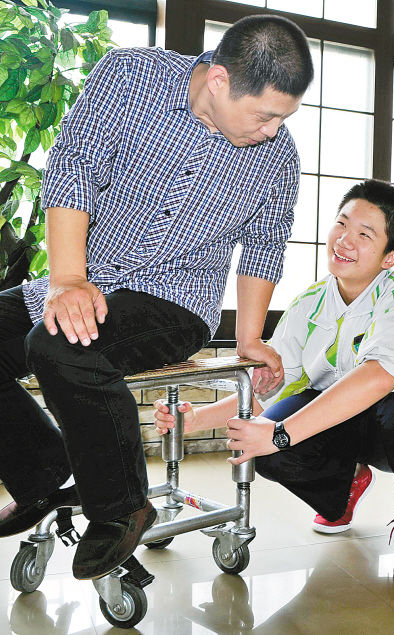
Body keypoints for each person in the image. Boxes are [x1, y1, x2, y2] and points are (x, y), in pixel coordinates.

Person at [0, 15, 314, 580]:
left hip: (176, 300)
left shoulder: (277, 157)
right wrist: (68, 280)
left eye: (283, 119)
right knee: (46, 331)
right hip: (84, 279)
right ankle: (42, 473)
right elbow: (71, 167)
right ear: (218, 80)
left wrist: (249, 337)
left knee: (60, 346)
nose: (273, 132)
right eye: (265, 115)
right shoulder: (128, 76)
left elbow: (264, 244)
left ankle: (122, 507)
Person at [155, 179, 394, 583]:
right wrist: (192, 420)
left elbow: (380, 377)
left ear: (389, 257)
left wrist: (279, 434)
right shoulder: (309, 302)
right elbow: (270, 387)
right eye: (341, 224)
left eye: (365, 235)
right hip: (339, 423)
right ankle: (346, 483)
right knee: (263, 441)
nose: (344, 240)